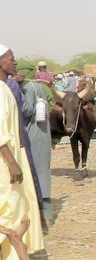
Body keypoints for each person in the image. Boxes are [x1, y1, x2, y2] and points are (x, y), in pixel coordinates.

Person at [0, 44, 44, 260]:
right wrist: (11, 161)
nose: (14, 62)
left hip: (13, 153)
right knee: (9, 207)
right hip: (5, 158)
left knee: (13, 205)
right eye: (10, 58)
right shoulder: (0, 90)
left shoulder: (7, 87)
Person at [16, 63, 53, 222]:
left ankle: (41, 216)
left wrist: (16, 91)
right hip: (43, 135)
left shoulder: (28, 88)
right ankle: (47, 215)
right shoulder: (41, 87)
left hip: (31, 136)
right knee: (43, 171)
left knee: (35, 172)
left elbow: (27, 110)